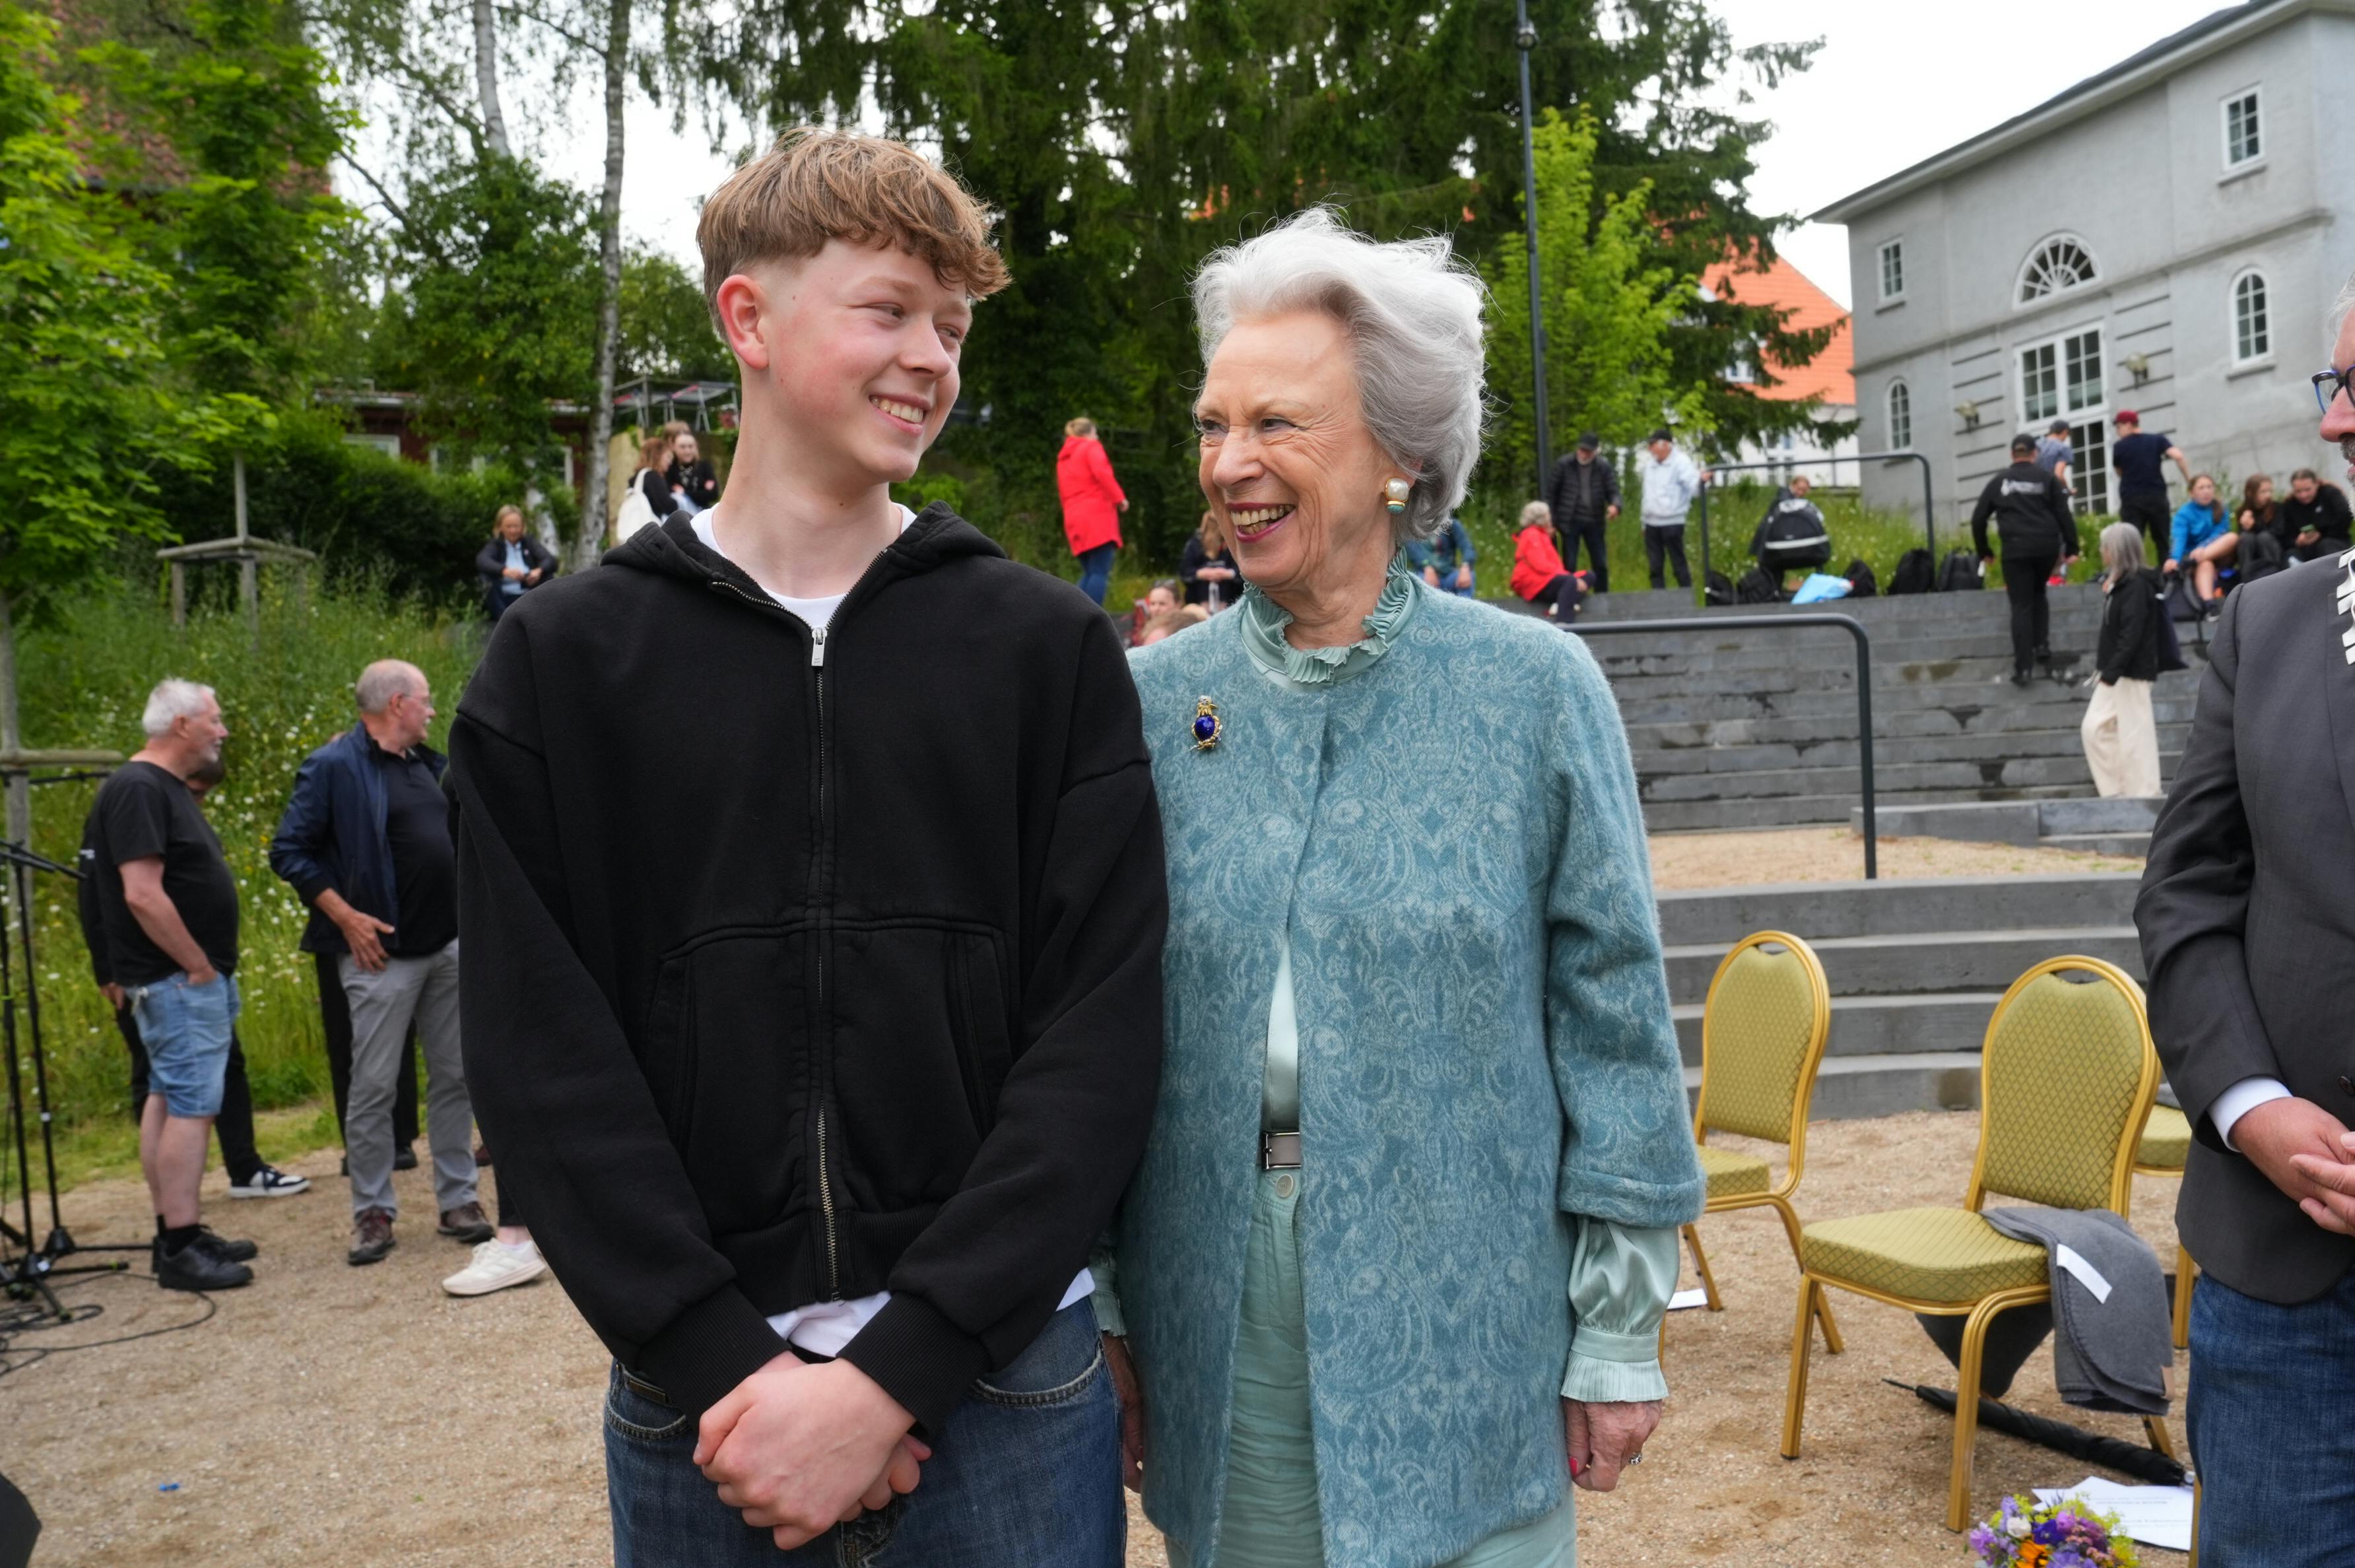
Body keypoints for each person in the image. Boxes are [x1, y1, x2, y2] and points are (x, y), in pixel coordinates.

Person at [448, 127, 1164, 1563]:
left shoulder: (1043, 649)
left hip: (1006, 1384)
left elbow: (1098, 1033)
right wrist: (722, 1358)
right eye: (889, 310)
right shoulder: (561, 667)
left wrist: (908, 1360)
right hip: (703, 1409)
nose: (931, 359)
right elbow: (541, 1055)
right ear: (749, 317)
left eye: (951, 328)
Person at [1104, 207, 1703, 1568]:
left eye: (1278, 425)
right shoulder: (1147, 704)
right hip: (1217, 1299)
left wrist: (1615, 1331)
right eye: (1213, 425)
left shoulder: (1532, 692)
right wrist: (1099, 1298)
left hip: (1469, 1302)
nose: (1229, 465)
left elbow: (1610, 1013)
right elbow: (1083, 1020)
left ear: (1397, 458)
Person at [2131, 270, 2355, 1565]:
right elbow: (2185, 899)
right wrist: (2245, 1106)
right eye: (2336, 388)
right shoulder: (2263, 628)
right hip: (2280, 1290)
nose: (2331, 429)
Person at [269, 661, 486, 1268]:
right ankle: (372, 1210)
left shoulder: (429, 765)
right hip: (380, 956)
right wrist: (347, 918)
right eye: (425, 700)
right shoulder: (335, 767)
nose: (432, 711)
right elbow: (289, 851)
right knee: (372, 1087)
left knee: (456, 1076)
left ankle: (458, 1200)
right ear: (397, 704)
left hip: (448, 948)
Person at [84, 680, 256, 1292]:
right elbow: (142, 893)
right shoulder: (137, 788)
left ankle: (175, 1231)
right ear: (182, 724)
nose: (222, 730)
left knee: (167, 1097)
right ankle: (181, 1246)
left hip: (178, 981)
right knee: (192, 1106)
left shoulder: (157, 788)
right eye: (214, 719)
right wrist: (198, 965)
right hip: (178, 982)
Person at [77, 755, 308, 1203]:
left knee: (219, 1070)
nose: (196, 801)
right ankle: (175, 1210)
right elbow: (97, 889)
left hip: (196, 975)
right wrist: (106, 967)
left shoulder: (163, 800)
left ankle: (241, 1168)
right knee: (160, 1084)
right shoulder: (134, 798)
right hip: (160, 974)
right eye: (195, 792)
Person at [1970, 432, 2082, 687]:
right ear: (2035, 454)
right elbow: (2064, 513)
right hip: (2046, 548)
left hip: (2016, 549)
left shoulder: (1999, 481)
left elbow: (1978, 518)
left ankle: (2024, 669)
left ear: (2012, 455)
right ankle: (2042, 646)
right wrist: (2072, 547)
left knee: (2021, 604)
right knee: (2038, 592)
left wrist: (1984, 551)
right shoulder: (2047, 479)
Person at [2080, 523, 2164, 799]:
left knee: (2136, 734)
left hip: (2130, 671)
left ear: (2116, 550)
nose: (2102, 551)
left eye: (2105, 547)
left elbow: (2133, 632)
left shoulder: (2137, 585)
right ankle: (2118, 790)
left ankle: (2144, 793)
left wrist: (2111, 670)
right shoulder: (2122, 583)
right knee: (2094, 729)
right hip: (2116, 670)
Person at [1058, 415, 1127, 606]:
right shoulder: (1091, 447)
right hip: (1096, 517)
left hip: (1074, 519)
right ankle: (1092, 620)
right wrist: (1120, 499)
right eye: (1096, 433)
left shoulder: (1064, 457)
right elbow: (1103, 474)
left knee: (1089, 572)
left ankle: (1073, 613)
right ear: (1089, 433)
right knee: (1099, 572)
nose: (1097, 438)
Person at [1544, 431, 1620, 592]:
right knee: (1569, 563)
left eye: (1588, 451)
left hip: (1595, 521)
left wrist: (1615, 505)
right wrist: (1551, 521)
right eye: (1582, 450)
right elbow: (1551, 495)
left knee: (1600, 562)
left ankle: (1602, 596)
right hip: (1569, 521)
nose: (1584, 454)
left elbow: (1613, 490)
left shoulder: (1603, 467)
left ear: (1595, 452)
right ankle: (1568, 595)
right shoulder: (1564, 464)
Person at [1635, 426, 1708, 590]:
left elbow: (1695, 489)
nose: (1650, 449)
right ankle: (1659, 598)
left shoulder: (1681, 463)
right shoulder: (1650, 466)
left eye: (1653, 445)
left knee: (1678, 562)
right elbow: (1647, 496)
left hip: (1672, 522)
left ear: (1665, 445)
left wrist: (1702, 482)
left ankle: (1686, 595)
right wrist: (1644, 523)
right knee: (1655, 565)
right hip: (1651, 523)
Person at [2111, 411, 2190, 557]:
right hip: (2156, 496)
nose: (2117, 432)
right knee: (2162, 541)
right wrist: (2189, 481)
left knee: (2132, 542)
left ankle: (2133, 577)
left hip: (2132, 499)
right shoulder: (2157, 440)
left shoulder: (2119, 447)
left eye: (2118, 427)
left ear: (2128, 425)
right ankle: (2167, 577)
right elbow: (2178, 455)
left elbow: (2119, 471)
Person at [1750, 473, 1832, 593]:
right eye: (1799, 489)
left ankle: (1774, 590)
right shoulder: (1784, 498)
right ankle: (1771, 590)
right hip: (1767, 539)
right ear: (1793, 486)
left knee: (1775, 569)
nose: (1801, 493)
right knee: (1771, 569)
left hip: (1775, 539)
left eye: (1804, 490)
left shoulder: (1793, 499)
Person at [2166, 473, 2236, 608]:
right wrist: (2175, 558)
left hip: (2215, 552)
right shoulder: (2184, 513)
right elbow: (2179, 537)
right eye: (2201, 488)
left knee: (2232, 537)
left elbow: (2220, 532)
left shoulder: (2221, 508)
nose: (2206, 491)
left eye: (2209, 487)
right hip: (2192, 555)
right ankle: (2210, 605)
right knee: (2206, 563)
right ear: (2192, 493)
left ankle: (2196, 560)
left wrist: (2203, 548)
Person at [475, 505, 555, 622]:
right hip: (504, 598)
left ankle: (548, 616)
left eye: (516, 526)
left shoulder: (529, 542)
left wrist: (538, 571)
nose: (513, 530)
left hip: (529, 594)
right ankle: (503, 620)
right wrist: (505, 571)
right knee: (485, 579)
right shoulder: (496, 545)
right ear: (500, 527)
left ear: (522, 527)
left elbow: (550, 560)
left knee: (548, 576)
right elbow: (482, 560)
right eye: (509, 526)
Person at [1510, 499, 1583, 620]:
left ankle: (1561, 603)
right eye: (1548, 515)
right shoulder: (1531, 535)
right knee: (1571, 581)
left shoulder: (1542, 535)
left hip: (1545, 578)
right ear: (1541, 518)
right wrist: (1569, 577)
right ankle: (1563, 623)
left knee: (1588, 577)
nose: (1550, 518)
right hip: (1533, 581)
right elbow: (1540, 565)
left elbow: (1553, 564)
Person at [2274, 467, 2351, 562]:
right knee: (2291, 555)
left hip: (2333, 542)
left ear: (2317, 484)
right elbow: (2283, 533)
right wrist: (2297, 541)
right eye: (2298, 491)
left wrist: (2321, 535)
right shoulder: (2289, 504)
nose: (2303, 495)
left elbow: (2345, 515)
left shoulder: (2330, 493)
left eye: (2308, 490)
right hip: (2304, 549)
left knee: (2326, 545)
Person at [615, 434, 678, 544]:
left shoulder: (637, 478)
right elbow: (669, 506)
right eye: (668, 457)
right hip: (649, 534)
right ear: (658, 455)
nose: (670, 462)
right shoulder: (652, 477)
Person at [1179, 510, 1243, 609]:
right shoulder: (1195, 543)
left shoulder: (1232, 542)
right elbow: (1184, 571)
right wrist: (1201, 574)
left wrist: (1228, 574)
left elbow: (1244, 570)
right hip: (1199, 604)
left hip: (1230, 603)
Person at [1405, 510, 1478, 597]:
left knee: (1469, 575)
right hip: (1424, 575)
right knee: (1414, 581)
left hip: (1448, 575)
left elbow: (1468, 548)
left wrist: (1466, 566)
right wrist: (1427, 568)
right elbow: (1415, 553)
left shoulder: (1451, 524)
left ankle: (1464, 609)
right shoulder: (1413, 527)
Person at [666, 427, 722, 513]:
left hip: (702, 513)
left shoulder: (704, 466)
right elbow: (668, 494)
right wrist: (700, 492)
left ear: (696, 447)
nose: (687, 451)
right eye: (682, 447)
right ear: (674, 447)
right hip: (679, 516)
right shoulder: (670, 468)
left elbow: (713, 494)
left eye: (691, 446)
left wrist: (685, 493)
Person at [2034, 418, 2074, 491]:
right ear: (2065, 432)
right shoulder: (2063, 448)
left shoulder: (2036, 444)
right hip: (2049, 489)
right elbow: (2059, 475)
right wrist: (2067, 490)